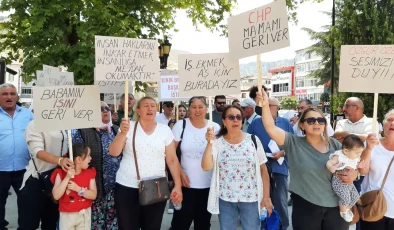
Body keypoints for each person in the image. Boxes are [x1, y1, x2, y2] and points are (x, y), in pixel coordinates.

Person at [257, 89, 357, 230]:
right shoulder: (293, 142)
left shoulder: (336, 145)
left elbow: (355, 164)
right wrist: (266, 104)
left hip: (336, 208)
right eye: (311, 120)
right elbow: (270, 127)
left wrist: (355, 174)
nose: (316, 123)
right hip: (306, 207)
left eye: (320, 120)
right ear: (302, 125)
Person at [109, 96, 183, 230]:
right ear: (138, 110)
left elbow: (172, 159)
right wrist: (122, 134)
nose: (150, 108)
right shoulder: (128, 126)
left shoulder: (164, 130)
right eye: (145, 105)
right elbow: (114, 152)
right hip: (127, 186)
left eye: (153, 105)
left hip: (156, 188)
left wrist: (177, 185)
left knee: (152, 226)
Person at [202, 105, 272, 230]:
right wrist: (209, 144)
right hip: (226, 199)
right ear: (223, 121)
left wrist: (266, 197)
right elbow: (206, 167)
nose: (235, 120)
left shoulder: (253, 140)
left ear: (242, 120)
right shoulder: (217, 143)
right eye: (231, 117)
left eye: (238, 117)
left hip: (251, 198)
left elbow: (263, 171)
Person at [171, 96, 220, 230]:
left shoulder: (215, 127)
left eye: (201, 107)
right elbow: (171, 154)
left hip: (208, 187)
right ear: (189, 109)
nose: (197, 110)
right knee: (180, 224)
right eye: (194, 107)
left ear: (206, 109)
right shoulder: (181, 125)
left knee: (203, 224)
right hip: (186, 186)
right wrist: (180, 174)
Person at [72, 101, 121, 229]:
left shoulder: (116, 130)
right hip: (92, 190)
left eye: (107, 108)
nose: (105, 111)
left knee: (113, 225)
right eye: (100, 109)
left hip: (115, 190)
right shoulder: (82, 132)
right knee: (95, 225)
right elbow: (77, 159)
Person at [247, 97, 294, 230]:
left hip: (280, 167)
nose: (264, 108)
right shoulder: (256, 123)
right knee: (262, 199)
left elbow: (293, 144)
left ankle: (282, 226)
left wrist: (282, 153)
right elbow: (248, 141)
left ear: (277, 107)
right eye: (262, 106)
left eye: (268, 105)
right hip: (260, 168)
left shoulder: (285, 123)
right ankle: (264, 225)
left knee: (280, 200)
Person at [18, 116, 72, 230]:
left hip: (56, 182)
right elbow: (38, 152)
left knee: (50, 224)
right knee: (28, 225)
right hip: (35, 182)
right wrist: (59, 160)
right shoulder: (34, 124)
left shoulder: (65, 123)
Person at [0, 83, 34, 230]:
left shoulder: (28, 115)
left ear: (17, 96)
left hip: (24, 168)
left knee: (27, 204)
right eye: (5, 94)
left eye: (12, 94)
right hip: (1, 169)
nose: (9, 97)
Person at [359, 109, 394, 230]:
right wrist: (368, 148)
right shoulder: (372, 145)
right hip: (373, 207)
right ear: (383, 124)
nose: (392, 123)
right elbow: (362, 171)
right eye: (389, 120)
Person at [51, 143, 97, 230]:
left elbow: (93, 195)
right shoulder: (60, 173)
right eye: (88, 156)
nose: (90, 158)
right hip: (67, 216)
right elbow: (56, 196)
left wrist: (78, 189)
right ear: (79, 159)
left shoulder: (89, 173)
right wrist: (67, 178)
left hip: (83, 214)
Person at [326, 135, 365, 222]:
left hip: (349, 183)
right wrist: (331, 167)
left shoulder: (355, 158)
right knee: (346, 198)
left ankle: (346, 209)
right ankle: (343, 212)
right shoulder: (339, 156)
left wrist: (359, 166)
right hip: (339, 181)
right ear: (346, 151)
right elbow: (329, 162)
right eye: (357, 153)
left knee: (355, 197)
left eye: (360, 153)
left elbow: (357, 168)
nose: (359, 155)